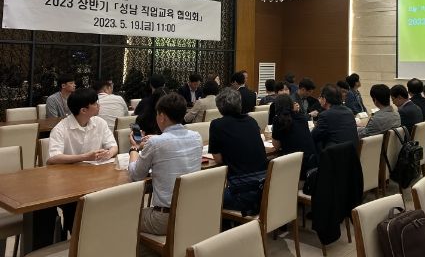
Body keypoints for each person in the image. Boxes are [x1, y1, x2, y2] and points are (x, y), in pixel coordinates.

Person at [128, 93, 202, 256]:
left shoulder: (156, 143)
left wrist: (134, 149)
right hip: (191, 212)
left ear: (161, 116)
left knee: (122, 215)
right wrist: (158, 138)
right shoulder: (197, 137)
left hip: (164, 219)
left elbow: (135, 175)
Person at [48, 88, 118, 236]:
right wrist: (85, 157)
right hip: (69, 185)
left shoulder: (99, 122)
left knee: (113, 196)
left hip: (95, 179)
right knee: (78, 206)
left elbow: (113, 146)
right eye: (95, 103)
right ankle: (78, 237)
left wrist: (109, 153)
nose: (99, 106)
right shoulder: (61, 128)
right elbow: (53, 158)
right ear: (84, 110)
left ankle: (101, 234)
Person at [209, 88, 267, 214]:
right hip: (264, 189)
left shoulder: (217, 125)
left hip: (243, 194)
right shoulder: (251, 121)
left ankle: (224, 225)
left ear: (219, 107)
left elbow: (218, 160)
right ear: (240, 104)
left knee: (206, 197)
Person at [271, 94, 318, 179]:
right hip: (311, 163)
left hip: (295, 165)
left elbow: (276, 146)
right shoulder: (302, 117)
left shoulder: (278, 120)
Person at [312, 84, 359, 150]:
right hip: (352, 152)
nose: (319, 99)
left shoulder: (325, 115)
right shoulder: (349, 111)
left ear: (324, 99)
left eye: (320, 97)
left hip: (336, 153)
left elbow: (314, 136)